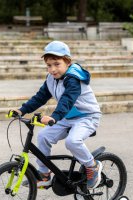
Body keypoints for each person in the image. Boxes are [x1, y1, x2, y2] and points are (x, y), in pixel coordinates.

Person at [12, 41, 102, 190]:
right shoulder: (51, 79)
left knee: (72, 141)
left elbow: (67, 99)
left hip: (87, 116)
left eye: (57, 64)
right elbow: (40, 97)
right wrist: (22, 110)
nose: (52, 69)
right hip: (67, 117)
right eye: (49, 65)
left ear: (67, 62)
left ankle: (92, 166)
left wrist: (54, 116)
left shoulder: (74, 78)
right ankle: (44, 175)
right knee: (43, 137)